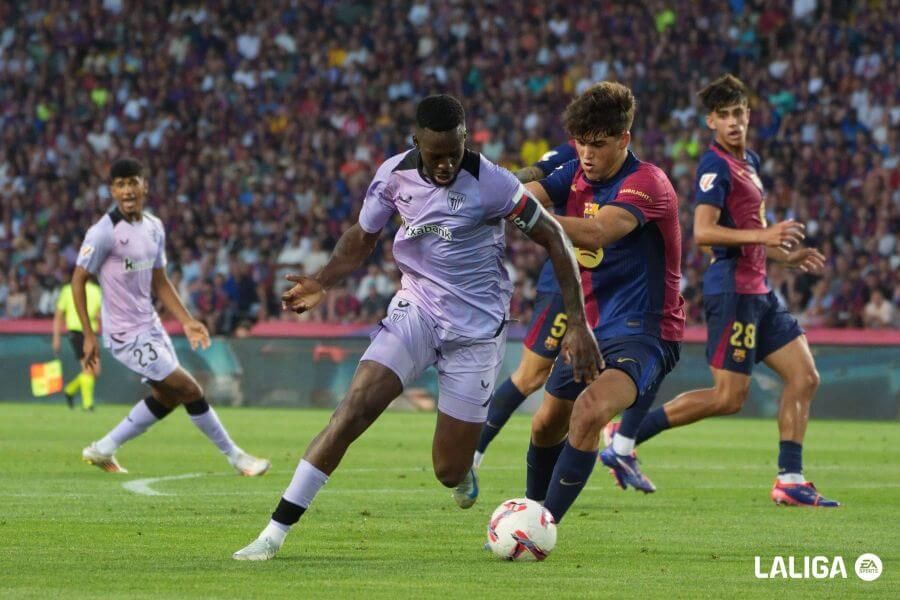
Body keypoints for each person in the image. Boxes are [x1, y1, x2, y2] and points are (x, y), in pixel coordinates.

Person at [232, 94, 602, 561]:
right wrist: (323, 280)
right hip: (418, 309)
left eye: (454, 152)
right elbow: (362, 237)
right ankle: (273, 534)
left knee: (448, 470)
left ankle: (464, 469)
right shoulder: (392, 175)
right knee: (353, 410)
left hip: (476, 331)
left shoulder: (494, 184)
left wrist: (577, 324)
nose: (445, 164)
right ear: (417, 143)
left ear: (465, 140)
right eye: (435, 155)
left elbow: (553, 237)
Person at [618, 74, 839, 507]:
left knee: (805, 376)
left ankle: (790, 479)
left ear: (748, 115)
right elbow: (703, 231)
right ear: (711, 122)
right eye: (725, 116)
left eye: (740, 113)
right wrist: (765, 236)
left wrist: (784, 255)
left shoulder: (749, 161)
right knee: (727, 396)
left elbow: (750, 233)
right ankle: (626, 434)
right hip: (733, 290)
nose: (735, 122)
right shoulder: (715, 165)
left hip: (760, 290)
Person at [523, 82, 685, 523]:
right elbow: (524, 195)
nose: (587, 154)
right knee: (544, 424)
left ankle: (542, 526)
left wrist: (522, 215)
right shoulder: (574, 172)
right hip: (591, 328)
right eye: (580, 143)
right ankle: (530, 511)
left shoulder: (647, 182)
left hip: (646, 331)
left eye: (598, 144)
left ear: (624, 140)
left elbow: (597, 232)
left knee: (590, 410)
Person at [72, 158, 270, 477]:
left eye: (132, 182)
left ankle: (103, 448)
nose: (127, 190)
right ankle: (237, 458)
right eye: (120, 184)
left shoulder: (154, 227)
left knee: (167, 395)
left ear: (144, 186)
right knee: (190, 389)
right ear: (112, 190)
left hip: (151, 326)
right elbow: (77, 279)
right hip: (125, 334)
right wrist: (89, 335)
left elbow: (160, 281)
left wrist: (188, 320)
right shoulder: (103, 233)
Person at [472, 140, 577, 469]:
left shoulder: (636, 173)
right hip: (568, 280)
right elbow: (529, 179)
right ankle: (472, 453)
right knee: (532, 375)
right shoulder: (572, 155)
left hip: (613, 286)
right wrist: (482, 193)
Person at [53, 274, 102, 410]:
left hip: (91, 334)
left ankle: (69, 390)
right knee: (88, 368)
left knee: (96, 371)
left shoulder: (96, 290)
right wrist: (56, 338)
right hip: (76, 332)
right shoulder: (68, 290)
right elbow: (58, 316)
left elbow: (99, 314)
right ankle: (88, 404)